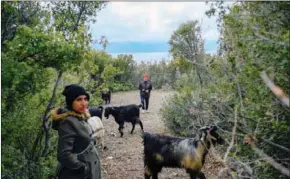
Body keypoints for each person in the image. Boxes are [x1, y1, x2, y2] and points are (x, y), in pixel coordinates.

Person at [51, 84, 102, 179]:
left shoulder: (79, 116)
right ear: (70, 102)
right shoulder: (68, 122)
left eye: (85, 99)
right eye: (79, 99)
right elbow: (63, 155)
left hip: (88, 168)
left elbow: (81, 139)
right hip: (77, 174)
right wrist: (82, 168)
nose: (84, 103)